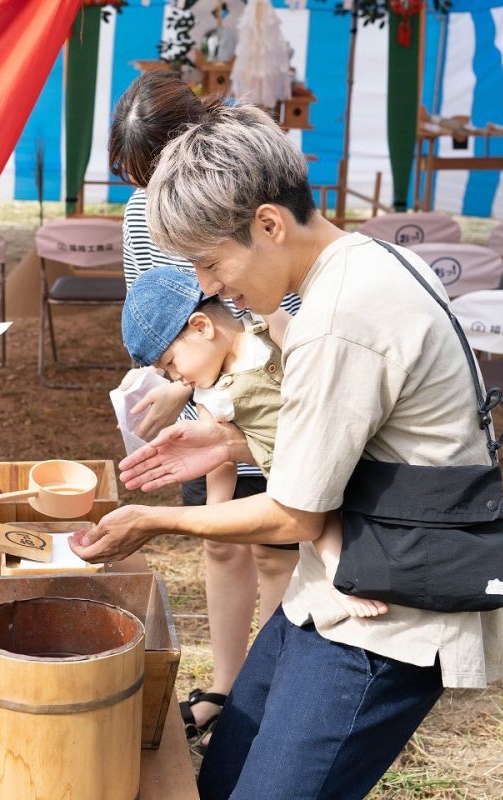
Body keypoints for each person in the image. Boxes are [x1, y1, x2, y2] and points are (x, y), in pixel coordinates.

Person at [72, 103, 503, 798]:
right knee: (223, 774)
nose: (213, 287)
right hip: (333, 584)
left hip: (385, 614)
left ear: (268, 224)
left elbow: (293, 516)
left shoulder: (340, 319)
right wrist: (227, 437)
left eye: (213, 263)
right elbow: (358, 441)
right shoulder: (364, 262)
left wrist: (151, 521)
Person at [108, 70, 301, 744]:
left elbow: (289, 304)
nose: (152, 191)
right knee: (221, 546)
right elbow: (154, 318)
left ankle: (270, 693)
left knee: (277, 552)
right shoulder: (140, 215)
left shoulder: (251, 188)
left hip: (264, 393)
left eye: (157, 169)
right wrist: (173, 383)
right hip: (201, 403)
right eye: (139, 179)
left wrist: (199, 382)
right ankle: (227, 686)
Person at [122, 266, 387, 620]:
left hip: (332, 435)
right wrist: (212, 516)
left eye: (171, 364)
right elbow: (217, 459)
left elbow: (311, 349)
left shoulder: (266, 324)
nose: (176, 378)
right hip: (293, 471)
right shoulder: (208, 396)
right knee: (322, 526)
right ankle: (339, 576)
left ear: (202, 327)